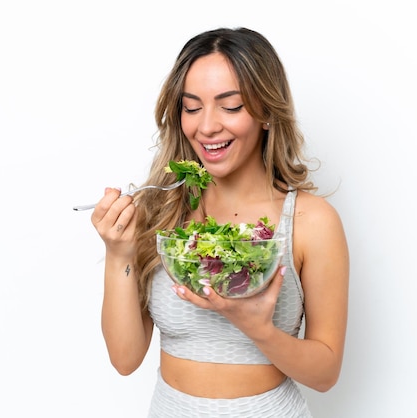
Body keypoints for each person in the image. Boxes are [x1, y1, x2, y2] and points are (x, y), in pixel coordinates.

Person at [90, 27, 349, 417]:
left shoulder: (311, 221)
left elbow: (325, 374)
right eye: (191, 107)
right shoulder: (161, 211)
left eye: (230, 106)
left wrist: (256, 326)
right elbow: (125, 359)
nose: (206, 126)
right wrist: (117, 253)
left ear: (266, 111)